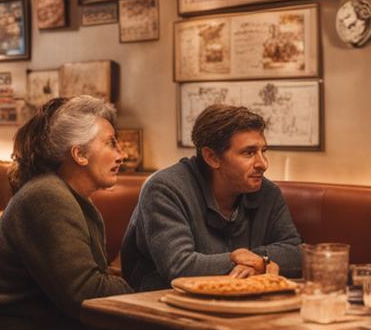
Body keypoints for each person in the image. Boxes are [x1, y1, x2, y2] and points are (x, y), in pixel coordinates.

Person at [0, 96, 220, 330]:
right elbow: (86, 291)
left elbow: (93, 282)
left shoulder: (74, 200)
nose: (121, 155)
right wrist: (156, 297)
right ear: (78, 154)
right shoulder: (45, 197)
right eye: (110, 143)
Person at [121, 104, 303, 292]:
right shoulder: (165, 189)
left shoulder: (266, 191)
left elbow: (297, 253)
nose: (263, 164)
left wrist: (258, 260)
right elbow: (179, 266)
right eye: (249, 153)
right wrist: (234, 260)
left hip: (239, 303)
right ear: (212, 157)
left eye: (263, 151)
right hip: (161, 305)